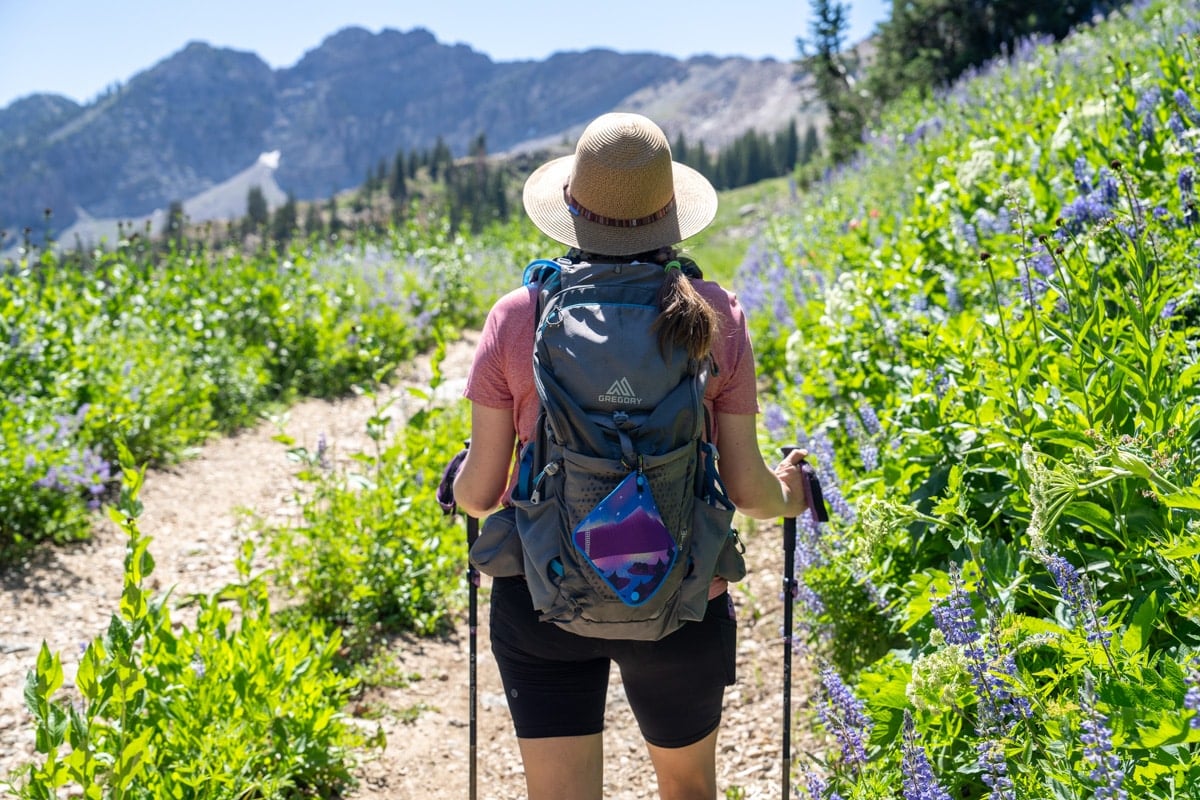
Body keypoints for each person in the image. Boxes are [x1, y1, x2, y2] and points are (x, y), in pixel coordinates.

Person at [453, 111, 811, 800]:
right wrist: (795, 493)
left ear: (571, 208)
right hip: (680, 599)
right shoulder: (715, 314)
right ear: (670, 211)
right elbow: (748, 491)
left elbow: (477, 494)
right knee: (686, 791)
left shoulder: (516, 316)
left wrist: (454, 482)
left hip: (541, 597)